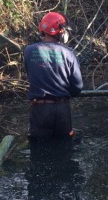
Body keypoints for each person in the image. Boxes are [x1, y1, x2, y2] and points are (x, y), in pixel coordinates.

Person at [24, 12, 83, 140]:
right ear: (61, 33)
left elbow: (30, 74)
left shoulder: (28, 51)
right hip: (61, 108)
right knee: (64, 149)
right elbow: (78, 86)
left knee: (38, 151)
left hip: (39, 109)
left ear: (42, 32)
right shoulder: (69, 53)